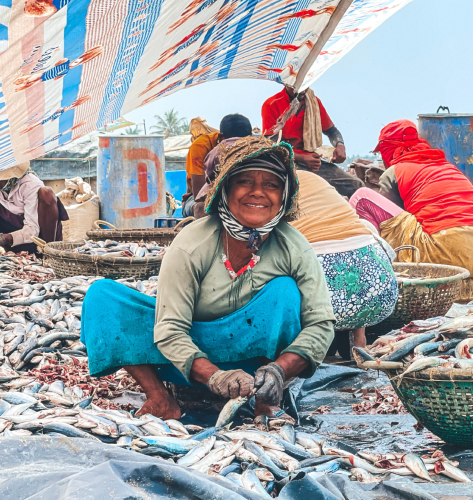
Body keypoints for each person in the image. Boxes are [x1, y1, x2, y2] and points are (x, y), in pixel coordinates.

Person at [81, 137, 336, 421]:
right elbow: (170, 329)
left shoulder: (294, 247)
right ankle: (160, 398)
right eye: (245, 182)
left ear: (284, 195)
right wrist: (215, 376)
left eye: (271, 185)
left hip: (255, 365)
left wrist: (279, 370)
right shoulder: (192, 242)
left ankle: (266, 404)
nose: (258, 193)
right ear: (225, 190)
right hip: (184, 360)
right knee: (101, 298)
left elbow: (321, 324)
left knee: (284, 291)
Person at [366, 120, 473, 278]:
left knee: (362, 197)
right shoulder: (447, 167)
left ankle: (373, 271)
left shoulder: (394, 172)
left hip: (449, 251)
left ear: (389, 150)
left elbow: (390, 223)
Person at [290, 170, 398, 350]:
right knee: (359, 238)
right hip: (380, 298)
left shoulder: (274, 189)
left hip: (323, 311)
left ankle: (305, 351)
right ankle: (359, 341)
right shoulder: (317, 180)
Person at [261, 85, 361, 197]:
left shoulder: (314, 102)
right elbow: (271, 146)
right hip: (285, 163)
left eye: (306, 83)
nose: (303, 89)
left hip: (314, 162)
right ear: (288, 82)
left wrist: (340, 145)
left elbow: (332, 132)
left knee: (355, 185)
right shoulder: (272, 104)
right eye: (299, 84)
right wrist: (302, 158)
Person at [0, 163, 68, 253]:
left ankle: (48, 253)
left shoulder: (30, 183)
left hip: (38, 238)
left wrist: (2, 238)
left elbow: (32, 230)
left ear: (10, 177)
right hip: (12, 243)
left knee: (47, 193)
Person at [192, 115, 253, 218]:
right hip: (241, 194)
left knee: (201, 208)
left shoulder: (218, 150)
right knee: (200, 207)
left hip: (229, 194)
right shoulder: (205, 148)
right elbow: (199, 194)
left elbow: (211, 175)